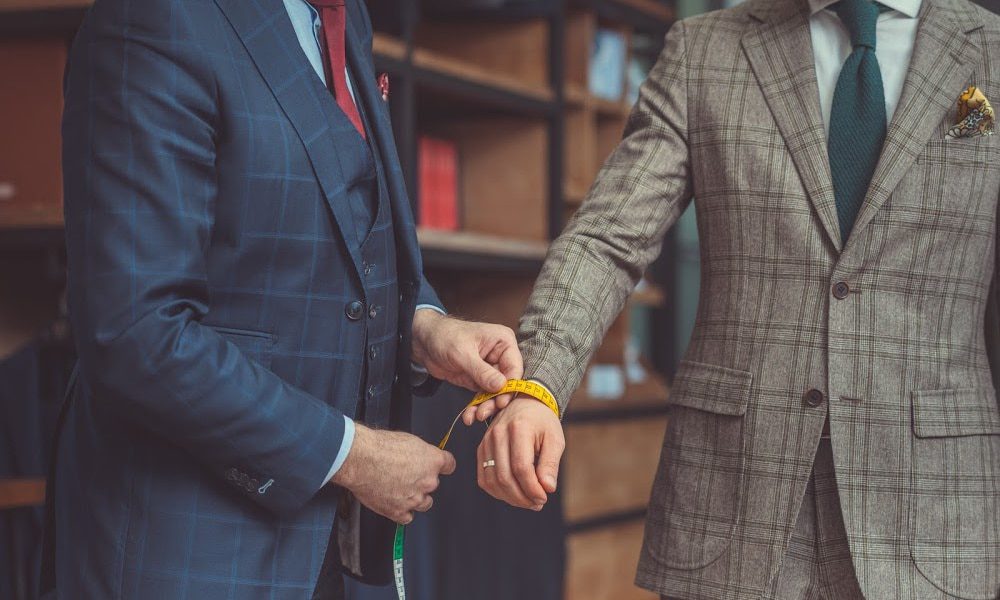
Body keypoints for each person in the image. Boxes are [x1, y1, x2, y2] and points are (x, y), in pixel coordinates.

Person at [470, 0, 1000, 598]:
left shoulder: (991, 50)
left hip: (940, 514)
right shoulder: (705, 51)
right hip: (733, 508)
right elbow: (609, 238)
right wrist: (538, 384)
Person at [46, 0, 523, 598]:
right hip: (185, 550)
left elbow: (338, 237)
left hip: (309, 548)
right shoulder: (155, 18)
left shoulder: (344, 20)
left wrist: (424, 330)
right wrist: (353, 456)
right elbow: (139, 332)